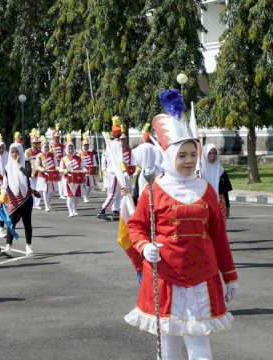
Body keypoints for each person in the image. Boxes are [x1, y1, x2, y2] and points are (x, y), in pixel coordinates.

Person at [125, 93, 238, 360]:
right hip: (165, 278)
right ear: (169, 156)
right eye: (182, 155)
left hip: (202, 277)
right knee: (168, 346)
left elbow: (219, 236)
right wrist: (144, 247)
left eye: (192, 154)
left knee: (200, 347)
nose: (189, 161)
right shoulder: (153, 191)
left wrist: (230, 275)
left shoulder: (207, 189)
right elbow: (136, 227)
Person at [0, 143, 35, 256]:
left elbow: (28, 174)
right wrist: (3, 195)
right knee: (11, 222)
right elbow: (5, 184)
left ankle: (28, 246)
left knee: (27, 222)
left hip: (26, 198)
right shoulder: (7, 167)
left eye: (17, 151)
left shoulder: (26, 163)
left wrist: (17, 165)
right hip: (14, 198)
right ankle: (8, 247)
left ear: (20, 151)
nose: (15, 154)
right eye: (12, 152)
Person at [98, 116, 125, 220]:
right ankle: (102, 209)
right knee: (114, 193)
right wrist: (124, 171)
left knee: (116, 193)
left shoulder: (109, 144)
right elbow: (120, 160)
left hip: (111, 171)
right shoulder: (118, 145)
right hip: (115, 172)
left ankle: (115, 211)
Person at [201, 144, 233, 220]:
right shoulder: (200, 172)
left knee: (220, 229)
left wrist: (227, 206)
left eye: (215, 153)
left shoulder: (221, 171)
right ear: (205, 154)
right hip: (203, 203)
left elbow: (225, 191)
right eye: (210, 153)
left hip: (220, 203)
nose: (213, 156)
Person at [59, 141, 85, 217]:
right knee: (70, 195)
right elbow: (60, 169)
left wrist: (84, 170)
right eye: (69, 149)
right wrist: (64, 170)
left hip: (78, 179)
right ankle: (70, 211)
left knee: (77, 196)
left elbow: (82, 166)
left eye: (72, 148)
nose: (70, 150)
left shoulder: (78, 158)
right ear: (67, 149)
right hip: (68, 179)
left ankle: (74, 208)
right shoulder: (63, 159)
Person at [34, 139, 58, 212]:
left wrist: (58, 170)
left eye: (47, 147)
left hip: (51, 175)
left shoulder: (52, 155)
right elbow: (37, 165)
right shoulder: (39, 155)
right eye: (45, 147)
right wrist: (42, 170)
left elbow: (56, 164)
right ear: (42, 147)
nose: (47, 148)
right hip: (42, 176)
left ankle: (46, 202)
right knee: (44, 191)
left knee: (54, 190)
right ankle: (44, 205)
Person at [25, 134, 42, 209]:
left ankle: (37, 204)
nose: (36, 145)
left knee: (38, 188)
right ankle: (32, 203)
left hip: (39, 172)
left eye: (37, 143)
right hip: (31, 172)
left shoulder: (40, 152)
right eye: (34, 143)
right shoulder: (28, 151)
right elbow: (26, 162)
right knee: (32, 188)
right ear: (31, 143)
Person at [79, 134, 97, 203]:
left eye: (87, 145)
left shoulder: (91, 153)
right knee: (84, 185)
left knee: (91, 185)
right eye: (84, 145)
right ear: (82, 146)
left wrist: (95, 168)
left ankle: (85, 194)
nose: (86, 146)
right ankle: (85, 197)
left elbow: (94, 162)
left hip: (91, 171)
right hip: (83, 171)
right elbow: (79, 163)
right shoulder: (79, 154)